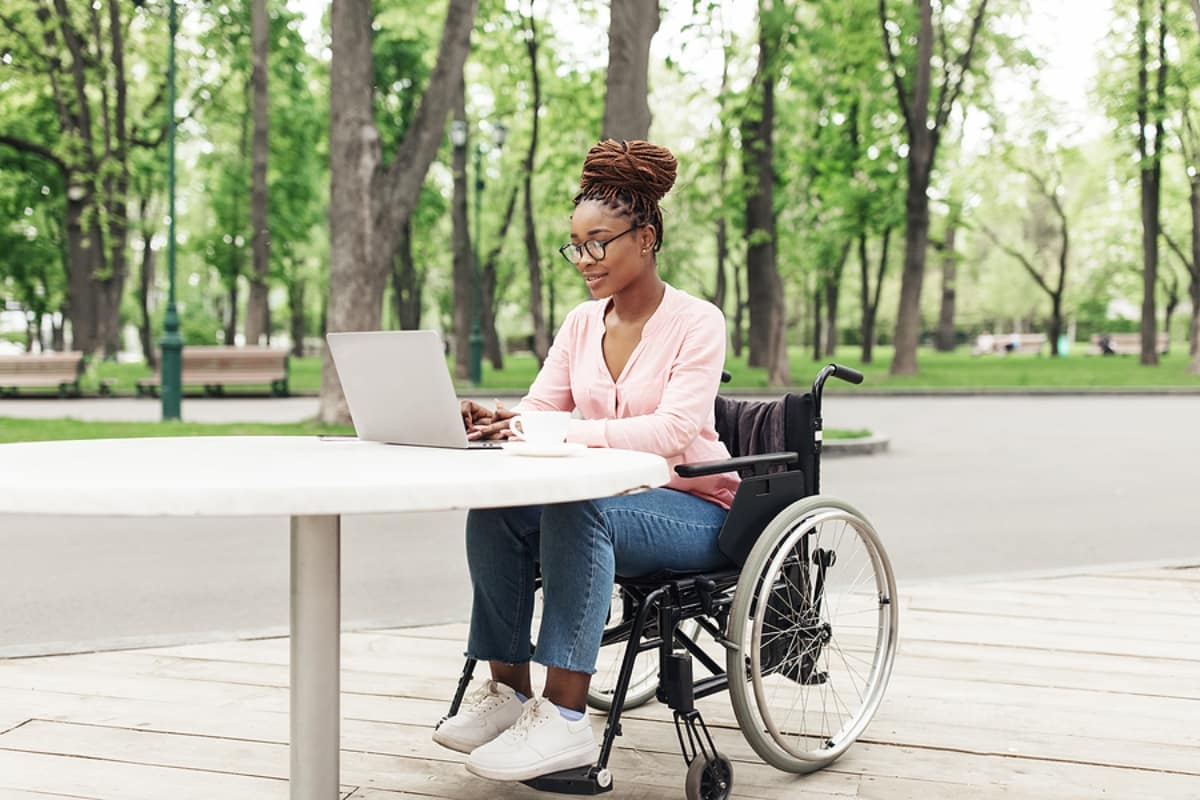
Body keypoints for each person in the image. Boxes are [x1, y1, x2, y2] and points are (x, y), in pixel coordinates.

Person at [432, 139, 739, 782]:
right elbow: (543, 405)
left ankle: (566, 719)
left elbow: (675, 429)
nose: (584, 259)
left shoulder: (696, 322)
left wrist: (572, 434)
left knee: (580, 510)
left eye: (599, 242)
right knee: (499, 509)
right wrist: (502, 420)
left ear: (646, 237)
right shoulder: (580, 324)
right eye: (576, 244)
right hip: (613, 504)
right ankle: (510, 693)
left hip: (695, 508)